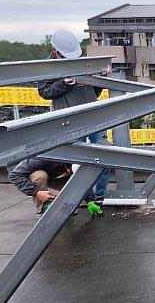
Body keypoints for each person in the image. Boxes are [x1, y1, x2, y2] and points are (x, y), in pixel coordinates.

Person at [38, 29, 109, 200]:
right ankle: (85, 196)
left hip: (92, 116)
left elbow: (95, 92)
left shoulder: (82, 62)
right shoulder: (47, 67)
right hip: (69, 120)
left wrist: (100, 79)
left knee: (105, 153)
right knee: (76, 160)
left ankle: (99, 196)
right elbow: (45, 91)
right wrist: (63, 83)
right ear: (55, 51)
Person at [8, 158, 102, 217]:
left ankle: (62, 204)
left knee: (72, 205)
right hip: (28, 173)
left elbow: (82, 181)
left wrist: (90, 201)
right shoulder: (44, 158)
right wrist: (36, 192)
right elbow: (15, 175)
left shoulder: (76, 157)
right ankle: (43, 207)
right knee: (40, 176)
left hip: (58, 174)